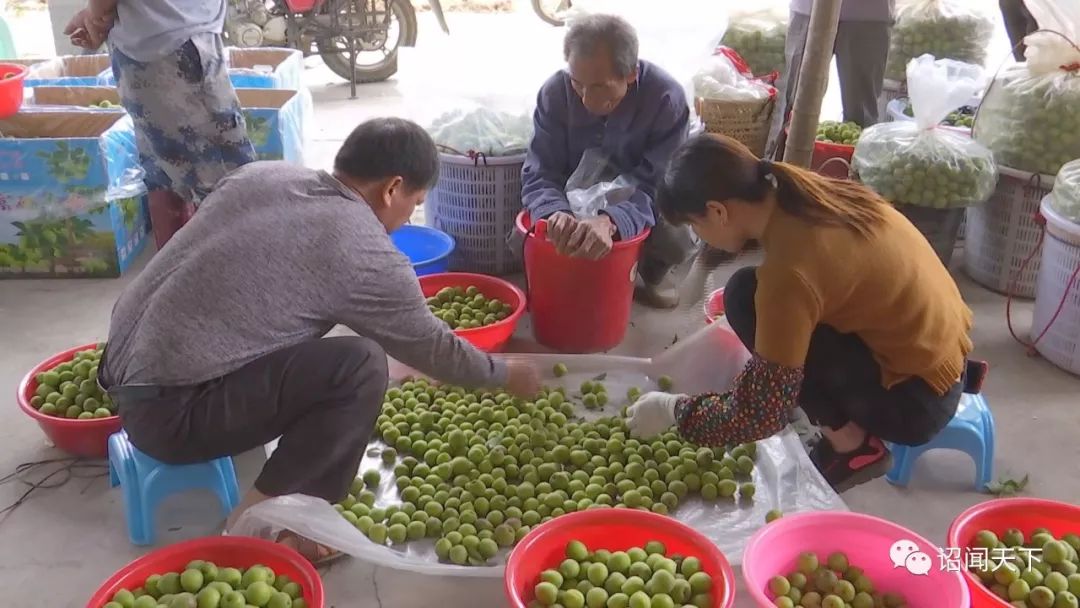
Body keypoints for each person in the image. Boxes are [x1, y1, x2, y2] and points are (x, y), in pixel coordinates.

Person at [97, 118, 540, 559]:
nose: (407, 219)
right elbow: (436, 350)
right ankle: (266, 526)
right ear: (392, 188)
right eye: (414, 203)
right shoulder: (364, 250)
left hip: (121, 370)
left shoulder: (263, 174)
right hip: (171, 417)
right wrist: (503, 374)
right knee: (361, 367)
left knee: (306, 327)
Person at [626, 134, 979, 492]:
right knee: (748, 293)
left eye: (694, 226)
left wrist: (675, 411)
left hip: (916, 402)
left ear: (718, 211)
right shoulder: (806, 192)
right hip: (946, 360)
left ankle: (854, 446)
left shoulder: (790, 272)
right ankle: (848, 430)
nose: (699, 237)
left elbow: (761, 413)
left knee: (745, 300)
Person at [521, 14, 694, 309]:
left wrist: (610, 220)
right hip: (571, 196)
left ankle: (651, 272)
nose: (586, 99)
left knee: (675, 233)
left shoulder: (666, 98)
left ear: (630, 74)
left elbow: (659, 184)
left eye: (600, 86)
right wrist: (555, 214)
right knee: (525, 234)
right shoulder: (555, 93)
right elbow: (540, 170)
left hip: (639, 196)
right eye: (578, 83)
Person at [64, 0, 256, 249]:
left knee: (198, 180)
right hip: (169, 41)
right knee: (210, 182)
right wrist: (96, 14)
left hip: (163, 42)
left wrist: (96, 13)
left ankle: (194, 274)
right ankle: (199, 276)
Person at [768, 0, 894, 158]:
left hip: (867, 14)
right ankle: (782, 174)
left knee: (861, 119)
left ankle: (855, 177)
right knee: (794, 110)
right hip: (808, 10)